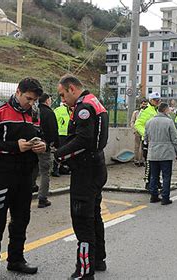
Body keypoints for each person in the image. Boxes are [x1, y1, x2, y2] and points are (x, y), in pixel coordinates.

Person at [0, 77, 46, 279]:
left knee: (21, 221)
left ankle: (16, 260)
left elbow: (41, 134)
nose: (31, 103)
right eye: (28, 98)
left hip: (25, 178)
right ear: (18, 92)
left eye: (34, 100)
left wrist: (41, 145)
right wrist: (13, 147)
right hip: (1, 177)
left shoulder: (34, 113)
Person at [54, 75, 109, 279]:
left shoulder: (83, 107)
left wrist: (59, 155)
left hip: (86, 170)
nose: (62, 100)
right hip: (97, 166)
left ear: (71, 89)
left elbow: (84, 139)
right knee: (94, 215)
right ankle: (99, 259)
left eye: (62, 95)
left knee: (82, 220)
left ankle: (85, 271)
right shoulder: (94, 101)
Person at [144, 103, 177, 205]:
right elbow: (175, 138)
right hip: (166, 153)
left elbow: (145, 138)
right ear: (165, 110)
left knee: (154, 176)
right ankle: (165, 198)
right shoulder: (169, 122)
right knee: (166, 176)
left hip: (153, 153)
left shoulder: (149, 122)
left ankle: (153, 196)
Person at [34, 93, 59, 208]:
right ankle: (42, 198)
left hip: (31, 145)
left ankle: (30, 188)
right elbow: (54, 131)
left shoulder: (33, 111)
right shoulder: (49, 113)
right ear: (47, 100)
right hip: (44, 146)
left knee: (31, 169)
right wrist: (55, 144)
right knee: (45, 173)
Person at [135, 92, 161, 190]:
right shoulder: (145, 110)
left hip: (158, 141)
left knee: (158, 162)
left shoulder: (158, 111)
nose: (157, 102)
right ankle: (148, 182)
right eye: (155, 100)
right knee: (149, 163)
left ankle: (157, 181)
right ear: (150, 100)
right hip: (149, 141)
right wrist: (146, 135)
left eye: (158, 100)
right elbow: (138, 124)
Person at [52, 101, 71, 177]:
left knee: (62, 152)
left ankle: (59, 169)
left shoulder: (57, 110)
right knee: (61, 152)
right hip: (63, 134)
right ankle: (57, 169)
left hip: (63, 133)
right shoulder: (67, 110)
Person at [130, 98, 148, 167]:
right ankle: (136, 160)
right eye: (142, 104)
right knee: (137, 146)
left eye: (145, 104)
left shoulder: (147, 113)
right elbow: (132, 122)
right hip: (137, 131)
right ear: (140, 104)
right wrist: (134, 130)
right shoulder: (136, 112)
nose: (143, 105)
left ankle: (142, 160)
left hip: (145, 132)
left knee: (144, 147)